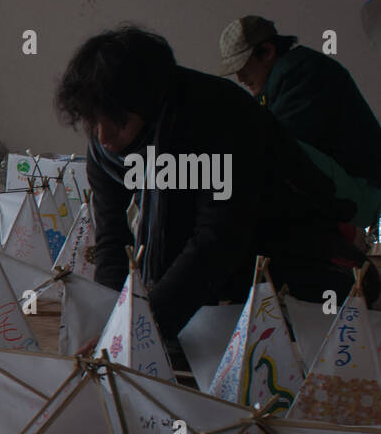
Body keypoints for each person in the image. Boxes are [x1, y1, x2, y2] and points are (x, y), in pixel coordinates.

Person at [55, 25, 376, 347]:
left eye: (117, 121)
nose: (103, 138)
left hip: (289, 263)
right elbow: (113, 237)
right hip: (211, 275)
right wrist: (112, 317)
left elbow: (219, 238)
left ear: (150, 104)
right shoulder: (105, 147)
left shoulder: (218, 115)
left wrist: (137, 329)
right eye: (90, 122)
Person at [218, 15, 381, 228]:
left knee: (270, 149)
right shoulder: (276, 84)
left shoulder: (302, 71)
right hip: (353, 190)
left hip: (365, 195)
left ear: (267, 52)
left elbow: (280, 145)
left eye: (243, 66)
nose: (239, 77)